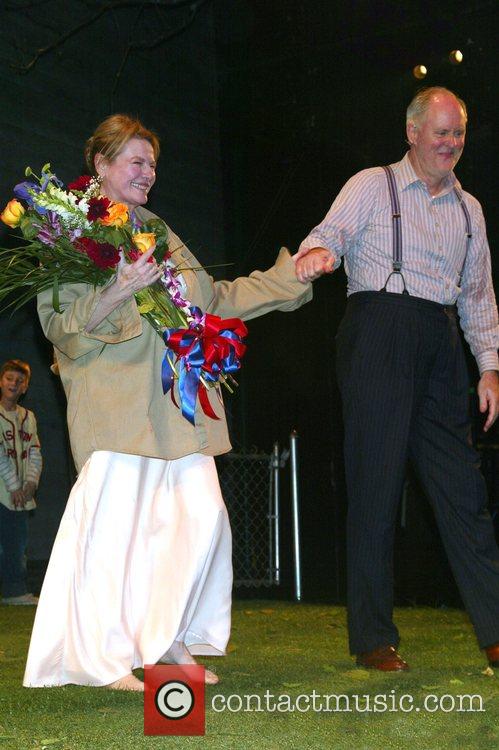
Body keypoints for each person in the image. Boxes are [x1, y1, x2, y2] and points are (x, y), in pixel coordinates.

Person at [23, 114, 312, 691]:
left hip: (175, 405)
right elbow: (60, 326)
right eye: (136, 161)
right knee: (114, 535)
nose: (148, 173)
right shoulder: (66, 229)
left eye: (152, 163)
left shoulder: (159, 230)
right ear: (100, 166)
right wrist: (118, 291)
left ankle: (165, 639)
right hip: (114, 405)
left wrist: (291, 277)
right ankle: (101, 663)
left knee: (201, 518)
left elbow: (213, 299)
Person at [295, 87, 499, 671]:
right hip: (379, 328)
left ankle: (495, 630)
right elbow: (328, 234)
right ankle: (373, 639)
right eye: (440, 132)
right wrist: (316, 254)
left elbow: (479, 295)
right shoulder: (371, 184)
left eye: (458, 133)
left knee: (464, 489)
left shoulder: (470, 210)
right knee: (376, 483)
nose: (450, 143)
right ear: (412, 132)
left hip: (441, 342)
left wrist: (489, 367)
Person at [0, 359, 42, 606]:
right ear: (1, 381)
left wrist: (30, 483)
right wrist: (14, 485)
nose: (13, 384)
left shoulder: (29, 417)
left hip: (20, 494)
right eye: (9, 378)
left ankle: (15, 590)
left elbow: (34, 450)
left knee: (16, 543)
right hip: (4, 491)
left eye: (19, 380)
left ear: (25, 386)